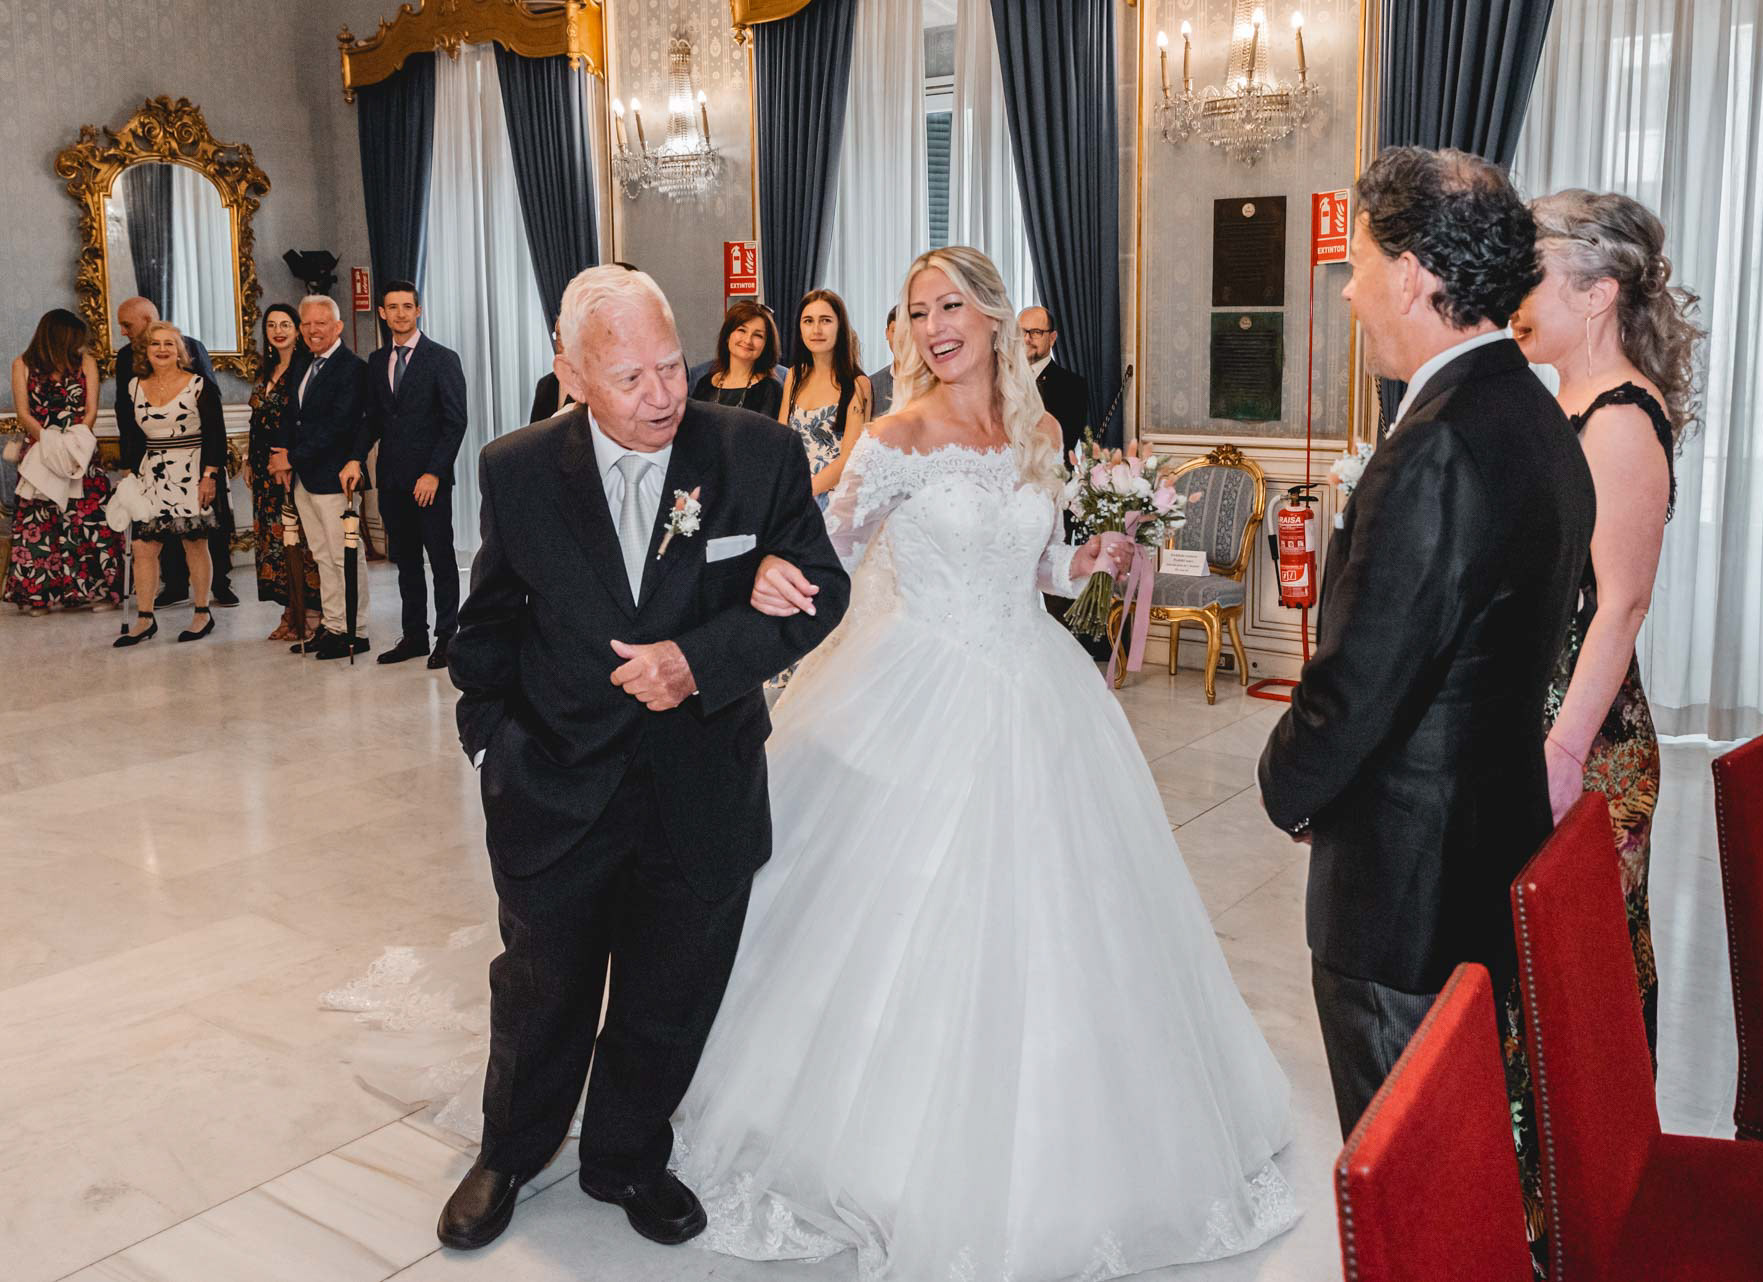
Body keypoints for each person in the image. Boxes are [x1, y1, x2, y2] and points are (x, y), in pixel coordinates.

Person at [681, 245, 1301, 1278]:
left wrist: (1084, 558)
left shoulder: (1038, 431)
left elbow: (1039, 561)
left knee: (1069, 917)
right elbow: (827, 553)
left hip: (1036, 684)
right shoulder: (894, 437)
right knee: (902, 915)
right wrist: (752, 594)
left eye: (952, 306)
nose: (934, 327)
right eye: (918, 310)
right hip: (919, 687)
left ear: (994, 316)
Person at [434, 265, 849, 1252]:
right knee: (541, 990)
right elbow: (488, 624)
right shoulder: (517, 468)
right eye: (630, 378)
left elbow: (821, 588)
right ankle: (509, 1152)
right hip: (554, 781)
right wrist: (491, 743)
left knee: (671, 992)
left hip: (701, 782)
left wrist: (698, 661)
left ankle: (626, 1156)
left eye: (671, 365)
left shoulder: (755, 451)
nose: (663, 395)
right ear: (573, 374)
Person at [1256, 146, 1596, 1139]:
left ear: (1409, 275)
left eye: (1358, 264)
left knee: (1405, 1162)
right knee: (1460, 1150)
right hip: (1485, 849)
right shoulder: (1534, 413)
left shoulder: (1439, 441)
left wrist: (1288, 785)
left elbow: (1362, 682)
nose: (1349, 291)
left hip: (1404, 890)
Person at [1506, 187, 1704, 1257]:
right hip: (1541, 726)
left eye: (1531, 273)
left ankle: (1585, 1213)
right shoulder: (1566, 402)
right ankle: (1531, 1207)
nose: (1514, 294)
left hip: (1585, 743)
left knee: (1578, 978)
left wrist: (1563, 751)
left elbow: (1619, 606)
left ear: (1597, 291)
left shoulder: (1620, 421)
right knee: (1534, 971)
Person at [346, 281, 468, 668]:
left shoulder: (442, 359)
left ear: (418, 311)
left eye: (407, 306)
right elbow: (372, 419)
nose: (400, 313)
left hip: (430, 482)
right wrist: (354, 458)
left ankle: (447, 636)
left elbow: (455, 422)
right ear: (382, 314)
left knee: (441, 560)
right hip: (392, 480)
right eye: (393, 307)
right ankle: (414, 636)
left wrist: (434, 473)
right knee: (407, 562)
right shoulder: (376, 360)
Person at [111, 296, 236, 608]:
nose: (123, 331)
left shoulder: (192, 346)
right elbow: (125, 413)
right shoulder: (125, 357)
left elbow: (211, 406)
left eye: (127, 324)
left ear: (146, 318)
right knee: (157, 527)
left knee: (203, 529)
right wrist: (129, 463)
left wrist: (210, 469)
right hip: (152, 457)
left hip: (195, 456)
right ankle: (175, 584)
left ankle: (219, 584)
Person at [268, 295, 369, 661]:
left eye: (320, 323)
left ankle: (356, 630)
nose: (312, 330)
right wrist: (282, 457)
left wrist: (291, 457)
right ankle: (333, 624)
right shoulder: (303, 363)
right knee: (322, 556)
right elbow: (292, 416)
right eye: (307, 323)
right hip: (303, 478)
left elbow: (339, 426)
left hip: (334, 477)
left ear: (337, 327)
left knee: (345, 556)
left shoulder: (352, 368)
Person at [5, 308, 121, 614]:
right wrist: (48, 441)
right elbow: (23, 412)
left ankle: (95, 591)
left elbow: (91, 409)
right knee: (40, 523)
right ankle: (39, 595)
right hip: (40, 449)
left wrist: (74, 441)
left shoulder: (86, 363)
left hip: (79, 449)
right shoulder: (23, 364)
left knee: (87, 520)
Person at [245, 303, 321, 641]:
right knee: (273, 544)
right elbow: (256, 422)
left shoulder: (306, 369)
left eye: (285, 324)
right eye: (272, 325)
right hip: (264, 472)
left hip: (292, 467)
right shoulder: (265, 371)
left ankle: (312, 611)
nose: (278, 331)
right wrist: (248, 460)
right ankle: (290, 610)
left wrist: (289, 459)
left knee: (300, 541)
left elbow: (304, 423)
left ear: (297, 329)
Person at [776, 289, 871, 504]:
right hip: (792, 489)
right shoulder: (794, 376)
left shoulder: (857, 384)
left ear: (840, 326)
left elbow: (849, 459)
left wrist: (802, 493)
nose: (816, 329)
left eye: (825, 320)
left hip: (833, 497)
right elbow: (782, 440)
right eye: (808, 321)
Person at [690, 300, 783, 419]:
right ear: (728, 336)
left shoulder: (771, 389)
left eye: (758, 335)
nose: (748, 340)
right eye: (742, 330)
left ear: (766, 345)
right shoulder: (704, 383)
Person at [1020, 305, 1089, 463]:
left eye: (1036, 332)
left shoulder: (1073, 386)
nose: (1026, 339)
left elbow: (1063, 446)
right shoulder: (1000, 379)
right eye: (1021, 332)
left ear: (1052, 338)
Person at [528, 328, 573, 423]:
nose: (559, 341)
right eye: (557, 335)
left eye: (566, 334)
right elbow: (534, 428)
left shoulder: (590, 385)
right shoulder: (544, 384)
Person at [866, 304, 898, 415]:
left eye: (906, 332)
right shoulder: (872, 385)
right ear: (887, 333)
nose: (900, 338)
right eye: (895, 331)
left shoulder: (933, 381)